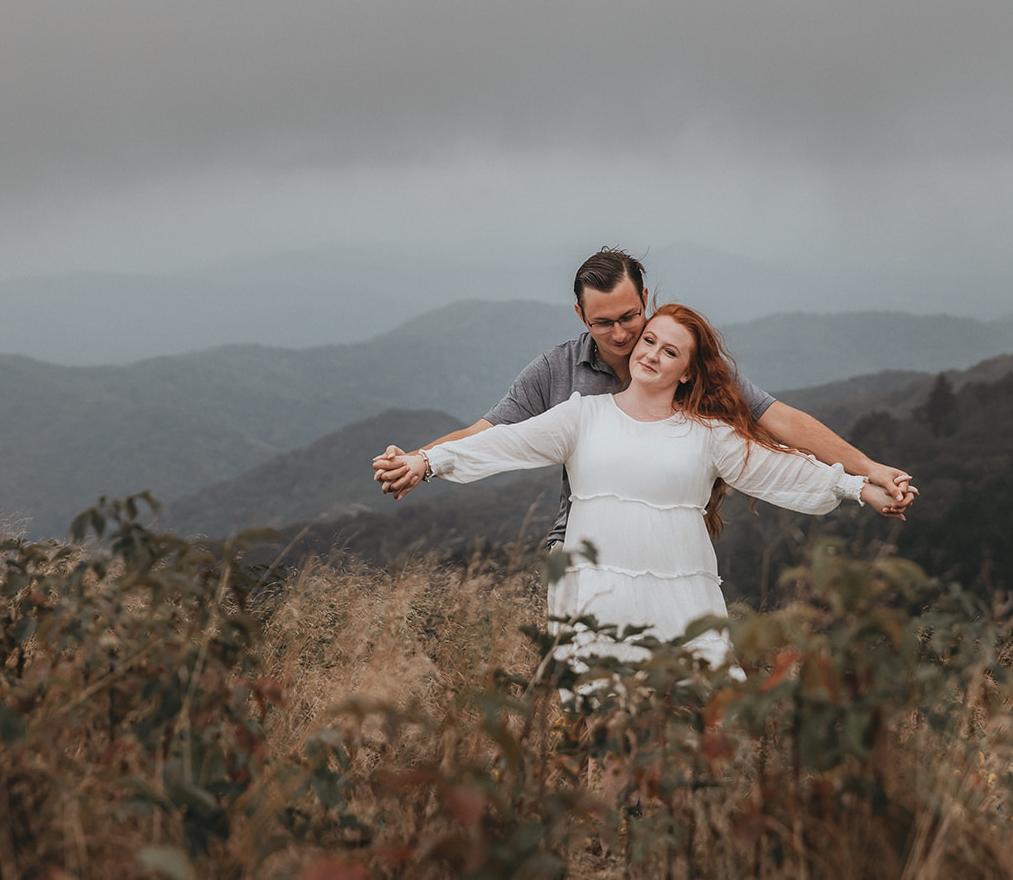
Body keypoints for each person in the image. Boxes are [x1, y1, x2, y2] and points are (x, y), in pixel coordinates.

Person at [372, 304, 910, 669]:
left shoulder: (709, 435)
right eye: (649, 340)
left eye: (670, 351)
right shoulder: (581, 415)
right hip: (596, 589)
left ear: (688, 372)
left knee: (691, 720)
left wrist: (860, 486)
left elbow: (780, 468)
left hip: (683, 594)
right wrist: (426, 460)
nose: (651, 353)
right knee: (603, 722)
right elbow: (500, 442)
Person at [374, 247, 916, 547]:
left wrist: (866, 472)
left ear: (646, 299)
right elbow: (493, 437)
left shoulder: (686, 361)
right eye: (602, 323)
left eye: (631, 317)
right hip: (582, 541)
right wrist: (420, 460)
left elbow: (778, 427)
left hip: (673, 536)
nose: (622, 335)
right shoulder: (560, 379)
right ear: (581, 316)